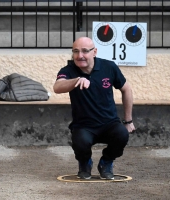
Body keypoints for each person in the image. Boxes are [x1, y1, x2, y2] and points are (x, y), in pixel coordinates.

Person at [53, 37, 135, 180]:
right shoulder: (68, 70)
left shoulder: (109, 67)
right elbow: (57, 87)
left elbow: (127, 89)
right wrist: (77, 80)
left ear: (94, 52)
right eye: (76, 51)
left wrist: (128, 121)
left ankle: (106, 162)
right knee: (80, 143)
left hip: (109, 123)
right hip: (84, 125)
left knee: (122, 134)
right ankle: (85, 163)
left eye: (85, 51)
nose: (80, 56)